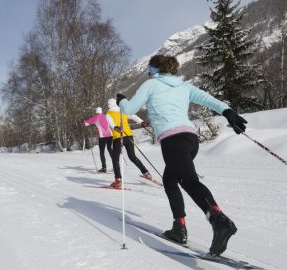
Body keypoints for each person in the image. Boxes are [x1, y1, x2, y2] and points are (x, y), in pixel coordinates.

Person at [116, 54, 248, 256]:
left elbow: (129, 110)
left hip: (173, 139)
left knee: (188, 181)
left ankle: (219, 220)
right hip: (190, 138)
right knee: (170, 179)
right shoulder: (183, 86)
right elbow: (208, 99)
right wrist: (228, 112)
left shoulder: (151, 84)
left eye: (149, 69)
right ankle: (179, 227)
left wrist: (123, 101)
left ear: (154, 69)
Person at [105, 98, 153, 188]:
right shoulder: (123, 111)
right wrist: (141, 122)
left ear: (109, 105)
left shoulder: (108, 114)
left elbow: (110, 122)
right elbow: (133, 116)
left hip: (119, 137)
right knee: (132, 156)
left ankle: (118, 180)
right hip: (129, 135)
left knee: (115, 159)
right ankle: (146, 173)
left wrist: (115, 127)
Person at [82, 107, 113, 173]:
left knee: (102, 152)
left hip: (102, 137)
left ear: (96, 111)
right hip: (110, 135)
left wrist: (83, 121)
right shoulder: (105, 116)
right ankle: (115, 165)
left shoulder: (96, 117)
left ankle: (104, 168)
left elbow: (86, 123)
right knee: (110, 149)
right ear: (101, 111)